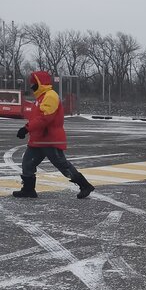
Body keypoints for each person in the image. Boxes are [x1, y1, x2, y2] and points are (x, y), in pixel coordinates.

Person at [12, 70, 95, 200]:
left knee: (62, 165)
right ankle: (28, 189)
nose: (31, 86)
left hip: (49, 139)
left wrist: (26, 128)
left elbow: (44, 118)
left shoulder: (50, 96)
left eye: (33, 83)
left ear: (40, 83)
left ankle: (84, 185)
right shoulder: (41, 97)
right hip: (38, 139)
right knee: (27, 162)